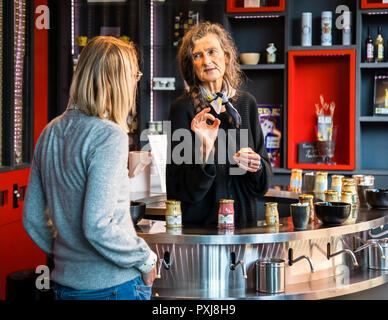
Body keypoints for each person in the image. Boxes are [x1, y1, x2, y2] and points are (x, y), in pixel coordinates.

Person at [23, 36, 157, 300]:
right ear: (116, 80)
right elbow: (98, 225)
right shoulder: (110, 136)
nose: (134, 83)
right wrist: (146, 260)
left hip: (65, 285)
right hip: (113, 287)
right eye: (133, 74)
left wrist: (70, 255)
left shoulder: (50, 131)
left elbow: (32, 219)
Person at [166, 22, 272, 226]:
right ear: (191, 66)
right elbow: (179, 188)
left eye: (212, 52)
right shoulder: (183, 108)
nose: (207, 61)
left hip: (244, 229)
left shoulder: (246, 103)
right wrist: (205, 152)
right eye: (198, 55)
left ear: (226, 56)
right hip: (201, 231)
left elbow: (262, 185)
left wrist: (256, 166)